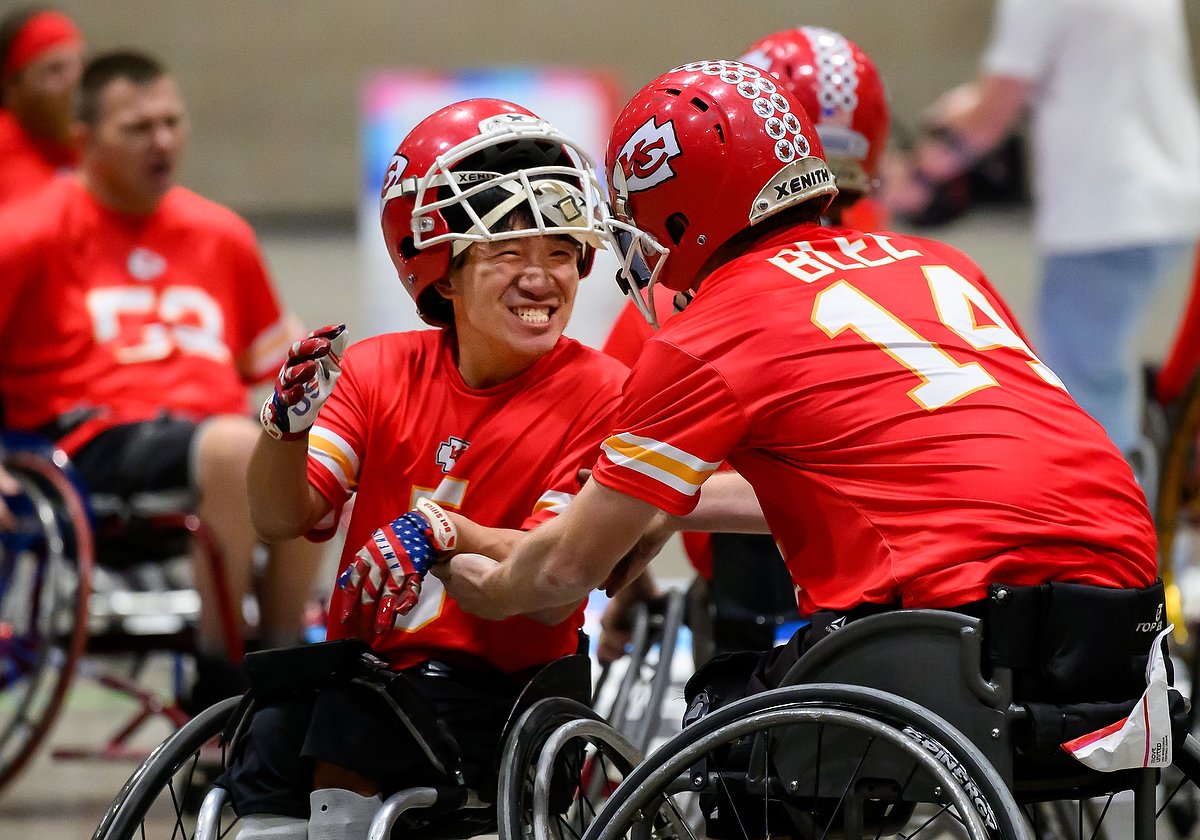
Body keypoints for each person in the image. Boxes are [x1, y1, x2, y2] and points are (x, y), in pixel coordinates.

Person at [439, 59, 1162, 777]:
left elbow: (567, 567)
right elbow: (903, 473)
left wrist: (490, 588)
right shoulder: (939, 262)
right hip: (1124, 613)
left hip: (956, 630)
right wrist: (671, 506)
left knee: (724, 735)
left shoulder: (710, 331)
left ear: (677, 207)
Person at [220, 99, 627, 840]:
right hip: (365, 674)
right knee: (270, 721)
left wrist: (442, 528)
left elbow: (554, 570)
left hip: (502, 694)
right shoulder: (377, 369)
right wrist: (282, 431)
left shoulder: (604, 392)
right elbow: (284, 517)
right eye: (508, 250)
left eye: (562, 252)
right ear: (441, 274)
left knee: (348, 717)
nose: (541, 278)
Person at [0, 50, 324, 709]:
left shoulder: (219, 234)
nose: (163, 141)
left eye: (172, 122)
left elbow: (282, 359)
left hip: (209, 438)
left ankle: (285, 661)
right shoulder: (28, 233)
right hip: (86, 447)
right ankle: (221, 678)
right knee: (237, 448)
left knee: (314, 445)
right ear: (84, 139)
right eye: (139, 128)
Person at [598, 26, 892, 665]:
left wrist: (652, 519)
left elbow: (605, 458)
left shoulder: (689, 310)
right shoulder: (920, 264)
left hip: (781, 594)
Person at [883, 0, 1200, 471]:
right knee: (1111, 376)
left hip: (1107, 214)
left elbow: (993, 112)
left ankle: (1106, 529)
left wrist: (917, 174)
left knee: (1085, 390)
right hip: (1172, 197)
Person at [0, 6, 83, 204]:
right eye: (55, 70)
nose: (76, 82)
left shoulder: (83, 151)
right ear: (11, 86)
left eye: (81, 65)